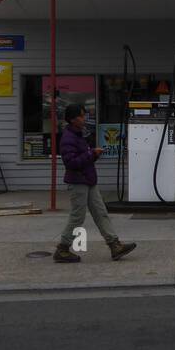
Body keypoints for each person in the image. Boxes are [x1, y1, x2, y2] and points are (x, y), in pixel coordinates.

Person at [53, 103, 137, 263]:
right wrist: (92, 154)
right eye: (81, 116)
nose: (84, 118)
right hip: (78, 182)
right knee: (77, 217)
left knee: (100, 213)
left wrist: (93, 154)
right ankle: (62, 249)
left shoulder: (78, 134)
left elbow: (82, 158)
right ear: (72, 119)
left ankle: (115, 245)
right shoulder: (68, 138)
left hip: (88, 180)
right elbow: (70, 163)